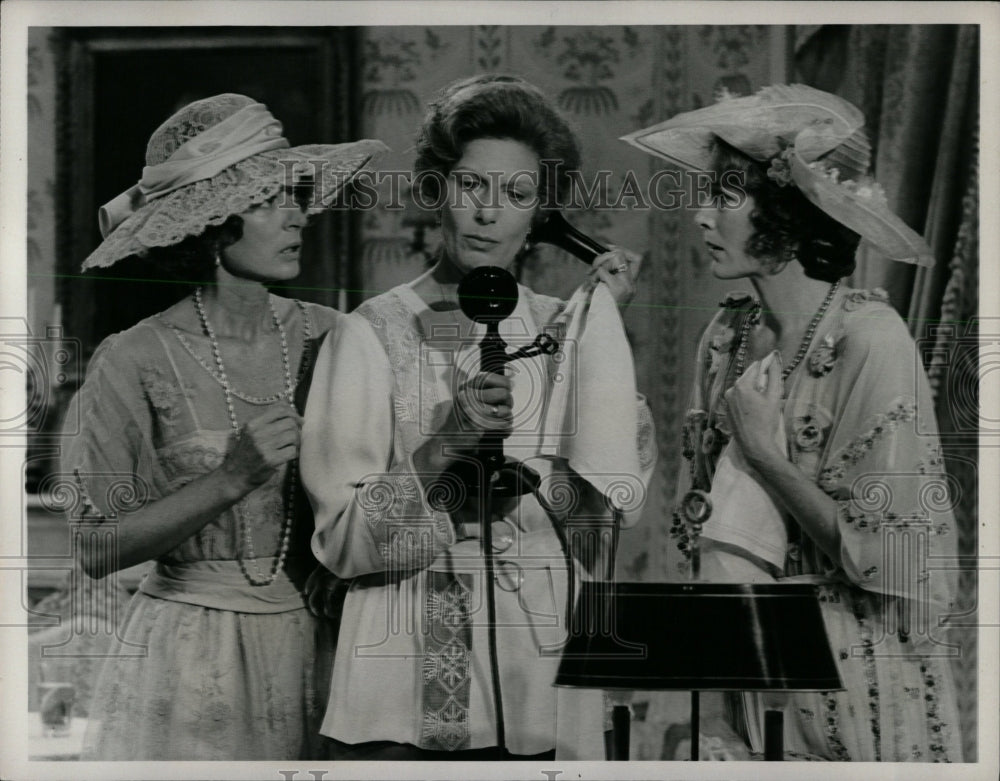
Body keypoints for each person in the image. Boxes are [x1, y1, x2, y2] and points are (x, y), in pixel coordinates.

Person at [301, 74, 656, 760]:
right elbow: (343, 544)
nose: (490, 214)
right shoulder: (369, 334)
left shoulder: (566, 327)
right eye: (472, 187)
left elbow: (605, 514)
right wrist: (445, 445)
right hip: (402, 671)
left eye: (518, 194)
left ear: (542, 213)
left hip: (542, 665)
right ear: (438, 191)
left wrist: (603, 340)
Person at [623, 84, 962, 760]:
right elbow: (706, 536)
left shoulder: (872, 339)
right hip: (753, 673)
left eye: (725, 194)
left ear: (788, 207)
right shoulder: (724, 337)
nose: (700, 215)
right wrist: (713, 713)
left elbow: (897, 559)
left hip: (856, 678)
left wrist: (767, 456)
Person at [63, 93, 387, 760]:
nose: (298, 216)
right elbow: (95, 546)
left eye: (295, 195)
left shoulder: (335, 337)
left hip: (317, 648)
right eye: (271, 199)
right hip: (186, 660)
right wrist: (229, 478)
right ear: (212, 219)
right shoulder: (133, 357)